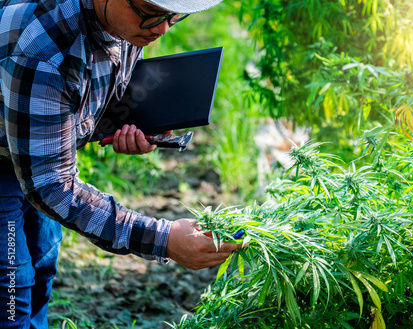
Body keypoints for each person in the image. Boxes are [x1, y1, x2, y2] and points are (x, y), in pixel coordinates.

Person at [0, 0, 244, 327]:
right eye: (149, 13)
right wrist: (164, 239)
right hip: (8, 158)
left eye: (171, 15)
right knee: (12, 286)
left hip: (35, 146)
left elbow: (81, 91)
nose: (161, 28)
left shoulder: (122, 22)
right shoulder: (43, 50)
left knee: (43, 263)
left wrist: (120, 121)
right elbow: (52, 187)